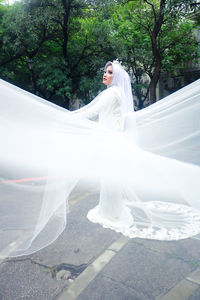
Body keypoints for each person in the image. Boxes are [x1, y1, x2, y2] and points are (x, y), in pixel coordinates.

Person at [0, 60, 200, 258]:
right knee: (110, 179)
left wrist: (66, 119)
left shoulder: (111, 93)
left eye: (110, 72)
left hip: (110, 143)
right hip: (114, 142)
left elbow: (90, 112)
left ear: (117, 77)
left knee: (110, 179)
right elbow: (102, 116)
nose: (105, 74)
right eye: (105, 71)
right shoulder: (118, 94)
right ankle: (110, 210)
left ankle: (111, 212)